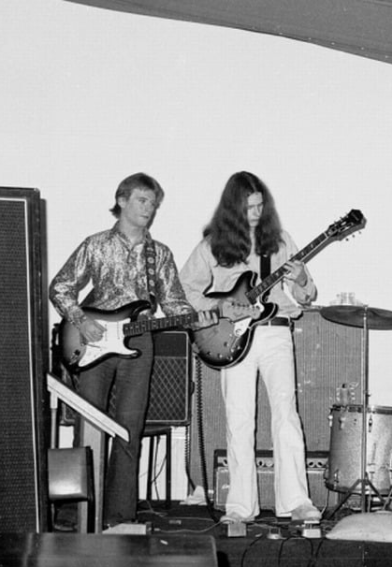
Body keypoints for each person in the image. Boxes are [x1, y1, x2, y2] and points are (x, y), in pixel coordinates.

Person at [50, 172, 217, 529]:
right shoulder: (95, 244)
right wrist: (80, 319)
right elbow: (61, 287)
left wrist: (199, 319)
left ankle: (119, 516)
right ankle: (79, 512)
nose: (149, 209)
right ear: (122, 200)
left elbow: (173, 303)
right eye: (143, 201)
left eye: (154, 203)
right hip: (91, 341)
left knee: (129, 428)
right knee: (89, 426)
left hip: (139, 342)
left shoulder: (160, 253)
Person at [179, 171, 321, 525]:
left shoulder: (280, 240)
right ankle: (240, 507)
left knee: (286, 416)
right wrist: (219, 309)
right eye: (248, 207)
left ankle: (296, 502)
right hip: (232, 337)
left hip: (275, 332)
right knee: (239, 420)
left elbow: (306, 295)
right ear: (232, 209)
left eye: (260, 206)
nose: (256, 213)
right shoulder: (214, 245)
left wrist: (302, 279)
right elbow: (184, 291)